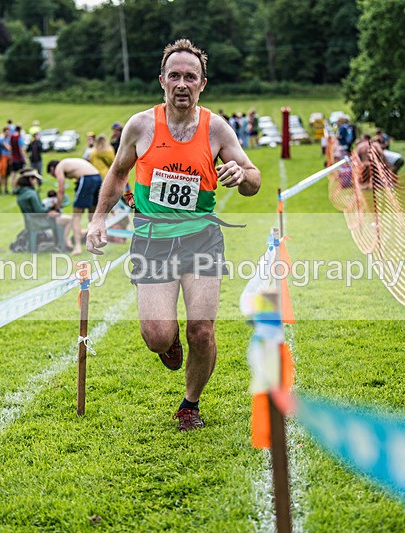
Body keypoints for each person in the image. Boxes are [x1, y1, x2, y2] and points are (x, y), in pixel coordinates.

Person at [85, 39, 261, 431]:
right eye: (175, 75)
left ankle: (190, 404)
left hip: (201, 239)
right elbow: (116, 174)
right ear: (162, 80)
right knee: (156, 336)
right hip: (152, 240)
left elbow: (254, 179)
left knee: (202, 330)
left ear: (203, 84)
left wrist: (241, 176)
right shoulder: (141, 125)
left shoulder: (216, 128)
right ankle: (169, 340)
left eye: (191, 77)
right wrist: (98, 219)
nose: (183, 83)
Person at [47, 158, 102, 256]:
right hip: (98, 177)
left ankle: (77, 247)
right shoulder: (71, 163)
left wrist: (57, 208)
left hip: (87, 179)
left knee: (76, 216)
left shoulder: (60, 166)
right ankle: (94, 241)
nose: (55, 176)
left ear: (52, 169)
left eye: (53, 175)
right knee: (92, 215)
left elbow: (61, 190)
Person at [14, 168, 62, 253]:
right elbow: (39, 210)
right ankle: (63, 245)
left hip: (30, 222)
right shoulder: (32, 194)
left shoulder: (21, 193)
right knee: (66, 220)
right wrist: (51, 207)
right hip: (38, 222)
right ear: (30, 179)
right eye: (35, 179)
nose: (36, 181)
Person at [9, 125, 27, 190]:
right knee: (21, 175)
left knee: (13, 175)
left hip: (13, 159)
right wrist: (25, 159)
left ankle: (13, 188)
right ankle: (19, 188)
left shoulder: (11, 138)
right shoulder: (19, 138)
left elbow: (10, 149)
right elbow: (21, 149)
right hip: (19, 159)